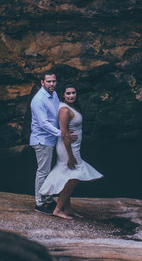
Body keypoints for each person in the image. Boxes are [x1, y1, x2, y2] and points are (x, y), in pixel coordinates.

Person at [38, 85, 102, 219]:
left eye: (73, 93)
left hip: (74, 146)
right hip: (67, 147)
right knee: (74, 176)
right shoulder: (64, 110)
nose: (72, 95)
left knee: (68, 176)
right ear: (63, 95)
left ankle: (67, 208)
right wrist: (70, 156)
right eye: (68, 93)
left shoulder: (72, 107)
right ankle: (57, 209)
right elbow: (65, 134)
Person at [29, 71, 64, 211]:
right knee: (43, 171)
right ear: (42, 82)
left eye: (54, 81)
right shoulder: (38, 100)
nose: (52, 84)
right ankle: (40, 202)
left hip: (51, 139)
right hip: (41, 140)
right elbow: (43, 123)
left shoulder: (54, 94)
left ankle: (48, 197)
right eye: (48, 81)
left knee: (48, 171)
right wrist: (61, 133)